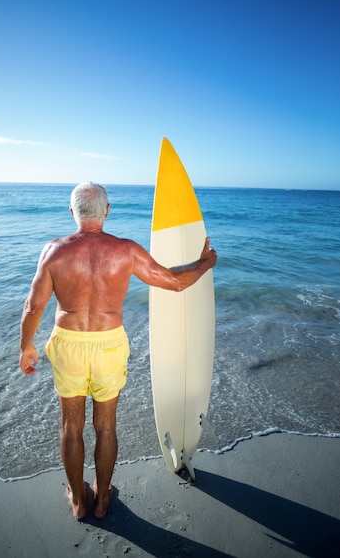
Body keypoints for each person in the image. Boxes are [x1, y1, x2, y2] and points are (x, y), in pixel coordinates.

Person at [19, 182, 217, 520]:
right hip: (109, 343)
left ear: (72, 212)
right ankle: (102, 498)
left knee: (71, 425)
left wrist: (26, 346)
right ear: (107, 211)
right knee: (105, 426)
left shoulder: (53, 251)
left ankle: (79, 503)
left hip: (69, 343)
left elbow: (34, 306)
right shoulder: (126, 251)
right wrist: (204, 263)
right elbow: (173, 281)